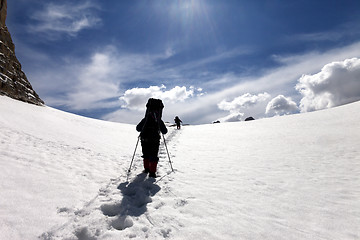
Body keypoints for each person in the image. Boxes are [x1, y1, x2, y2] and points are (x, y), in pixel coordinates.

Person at [136, 98, 167, 178]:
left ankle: (146, 169)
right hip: (155, 140)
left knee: (146, 154)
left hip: (144, 139)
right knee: (153, 155)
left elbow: (138, 128)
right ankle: (152, 173)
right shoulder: (159, 120)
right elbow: (164, 131)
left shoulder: (146, 119)